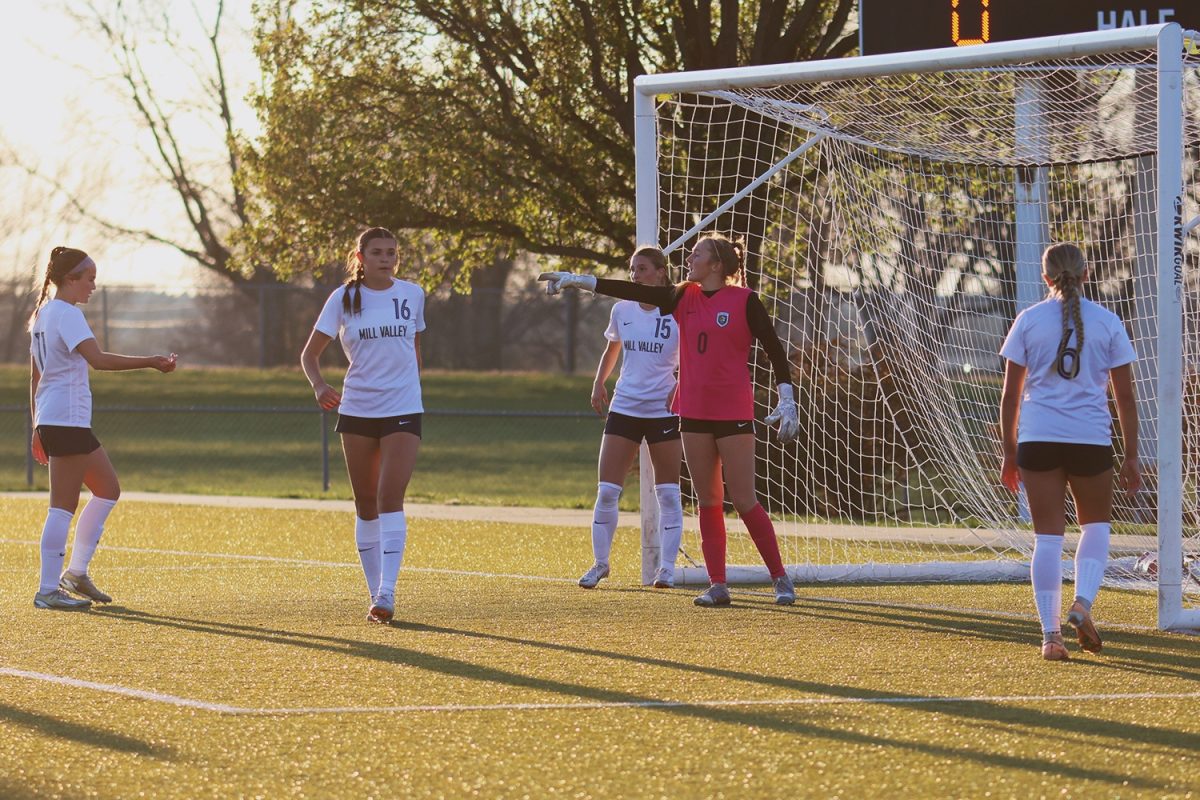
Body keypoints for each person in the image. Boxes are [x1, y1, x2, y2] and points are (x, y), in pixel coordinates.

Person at [541, 232, 800, 607]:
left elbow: (774, 349)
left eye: (697, 255)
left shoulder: (744, 300)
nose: (689, 259)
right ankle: (717, 584)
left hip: (733, 412)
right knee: (709, 501)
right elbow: (634, 293)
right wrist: (582, 281)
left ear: (716, 265)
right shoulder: (682, 296)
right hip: (692, 413)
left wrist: (787, 398)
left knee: (744, 500)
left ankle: (780, 578)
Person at [999, 242, 1140, 661]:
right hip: (1091, 439)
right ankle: (1082, 604)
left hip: (1038, 439)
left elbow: (1010, 396)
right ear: (1086, 273)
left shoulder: (1028, 320)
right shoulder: (1108, 321)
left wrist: (1009, 452)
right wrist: (1131, 456)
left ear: (1046, 277)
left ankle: (1051, 638)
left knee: (1046, 538)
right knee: (1095, 528)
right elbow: (1126, 399)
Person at [29, 247, 177, 611]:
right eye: (89, 278)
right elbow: (98, 360)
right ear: (69, 280)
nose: (94, 285)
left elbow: (35, 376)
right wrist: (152, 362)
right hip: (65, 419)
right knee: (61, 507)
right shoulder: (65, 314)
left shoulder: (44, 314)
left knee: (108, 490)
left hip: (61, 419)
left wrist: (36, 425)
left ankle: (75, 574)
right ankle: (48, 590)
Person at [301, 227, 426, 624]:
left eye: (392, 252)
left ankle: (388, 593)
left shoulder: (412, 294)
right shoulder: (342, 298)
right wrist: (319, 385)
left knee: (391, 496)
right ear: (360, 256)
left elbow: (415, 350)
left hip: (403, 408)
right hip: (357, 410)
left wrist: (411, 389)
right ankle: (374, 594)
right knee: (365, 502)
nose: (386, 258)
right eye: (377, 252)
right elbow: (309, 355)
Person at [578, 246, 684, 590]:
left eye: (641, 269)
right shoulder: (622, 309)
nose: (635, 275)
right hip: (625, 407)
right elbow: (613, 348)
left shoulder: (679, 310)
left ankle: (666, 569)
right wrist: (598, 382)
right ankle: (600, 563)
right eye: (632, 269)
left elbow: (696, 357)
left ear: (660, 272)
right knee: (607, 490)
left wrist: (681, 385)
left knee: (667, 493)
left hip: (662, 411)